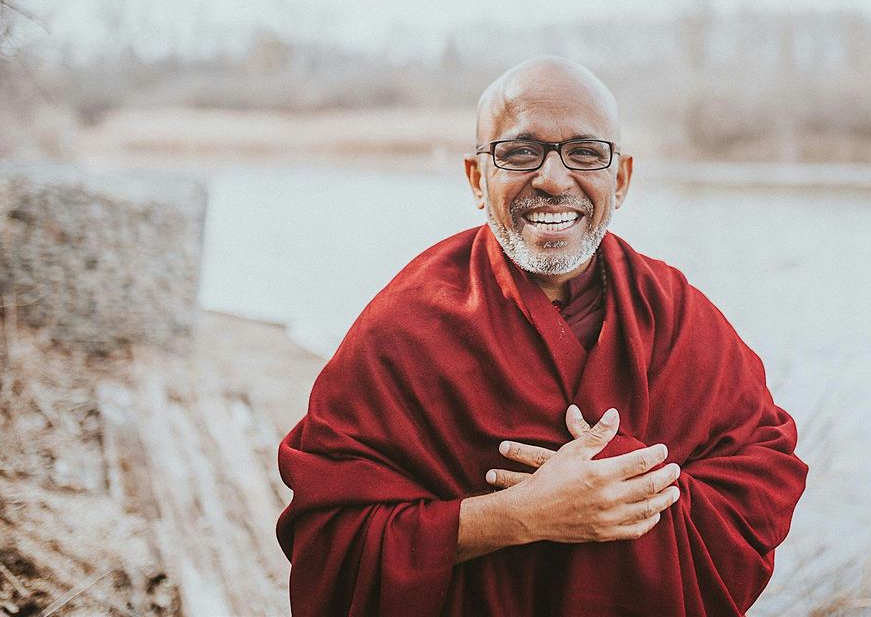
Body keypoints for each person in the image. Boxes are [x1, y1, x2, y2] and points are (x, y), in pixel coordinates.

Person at [277, 56, 808, 616]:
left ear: (620, 179)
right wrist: (517, 517)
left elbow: (763, 474)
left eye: (585, 153)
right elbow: (330, 541)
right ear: (477, 179)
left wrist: (627, 480)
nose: (553, 180)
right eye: (520, 152)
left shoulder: (675, 316)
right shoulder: (405, 327)